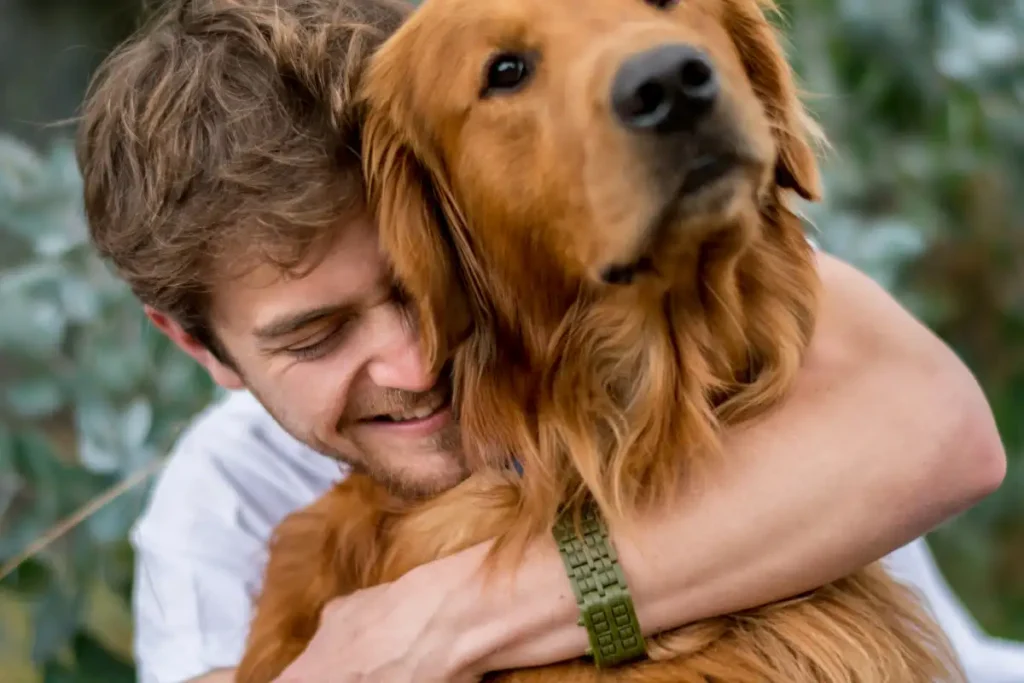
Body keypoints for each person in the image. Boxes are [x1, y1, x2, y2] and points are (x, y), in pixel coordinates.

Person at [73, 0, 1020, 681]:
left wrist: (457, 612)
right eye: (315, 337)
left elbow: (948, 435)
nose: (419, 361)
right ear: (201, 349)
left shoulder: (673, 279)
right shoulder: (223, 505)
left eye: (427, 279)